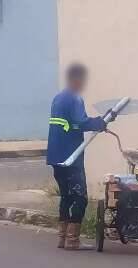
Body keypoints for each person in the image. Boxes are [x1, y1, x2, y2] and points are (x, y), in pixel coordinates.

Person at [47, 63, 106, 250]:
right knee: (80, 198)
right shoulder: (74, 99)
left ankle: (61, 238)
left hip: (56, 157)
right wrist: (100, 122)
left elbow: (70, 123)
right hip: (71, 158)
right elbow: (81, 122)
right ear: (77, 80)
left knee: (66, 196)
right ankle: (72, 240)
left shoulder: (58, 98)